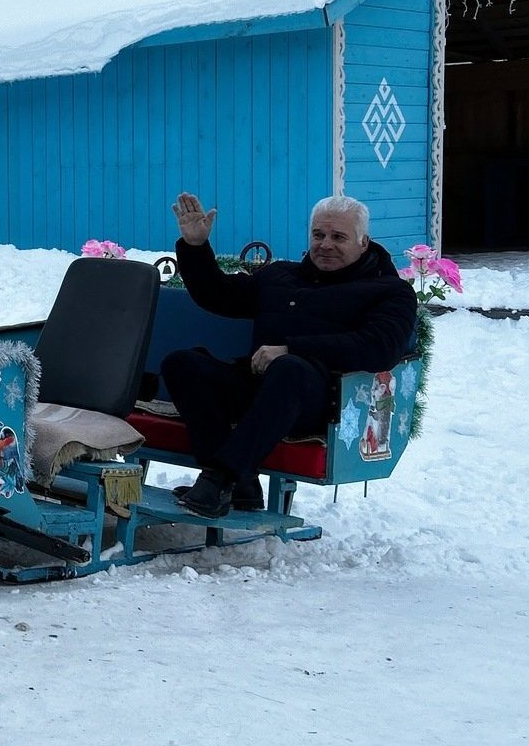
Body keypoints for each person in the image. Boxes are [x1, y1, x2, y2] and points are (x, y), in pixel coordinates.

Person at [161, 192, 417, 518]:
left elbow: (379, 348)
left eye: (338, 237)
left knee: (289, 369)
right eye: (318, 235)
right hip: (259, 389)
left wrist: (292, 348)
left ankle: (220, 478)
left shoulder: (390, 291)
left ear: (363, 242)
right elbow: (218, 296)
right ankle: (240, 484)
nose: (325, 244)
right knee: (183, 364)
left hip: (323, 402)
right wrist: (195, 247)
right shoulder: (280, 276)